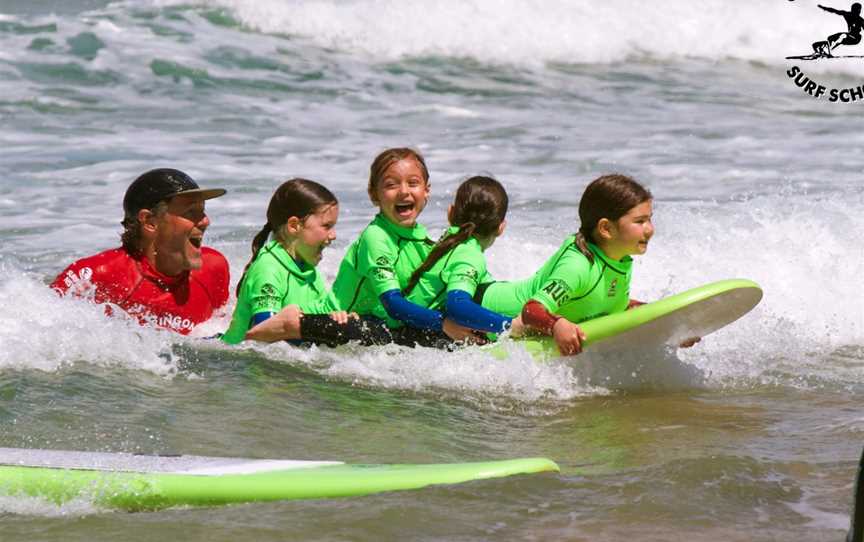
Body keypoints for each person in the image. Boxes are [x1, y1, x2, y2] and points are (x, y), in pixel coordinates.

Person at [479, 174, 663, 355]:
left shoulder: (619, 260)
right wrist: (556, 324)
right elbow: (531, 310)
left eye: (650, 219)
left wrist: (666, 322)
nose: (650, 229)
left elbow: (604, 303)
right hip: (482, 309)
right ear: (606, 228)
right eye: (640, 221)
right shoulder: (578, 266)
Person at [51, 168, 229, 335]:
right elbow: (42, 333)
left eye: (202, 211)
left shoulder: (213, 268)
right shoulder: (97, 275)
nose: (205, 221)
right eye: (191, 212)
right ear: (150, 221)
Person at [329, 148, 476, 347]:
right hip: (335, 325)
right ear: (374, 195)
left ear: (427, 190)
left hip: (384, 327)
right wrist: (445, 324)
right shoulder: (376, 237)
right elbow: (394, 305)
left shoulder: (422, 240)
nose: (404, 191)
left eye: (413, 183)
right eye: (391, 185)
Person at [221, 178, 392, 345]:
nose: (333, 235)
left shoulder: (308, 270)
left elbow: (314, 319)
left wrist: (340, 320)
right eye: (326, 226)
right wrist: (325, 329)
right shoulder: (269, 268)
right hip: (234, 365)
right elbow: (265, 333)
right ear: (294, 226)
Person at [403, 176, 516, 336]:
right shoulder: (468, 254)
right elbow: (457, 306)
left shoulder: (447, 242)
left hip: (409, 327)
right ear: (501, 227)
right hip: (417, 338)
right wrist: (510, 326)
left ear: (450, 213)